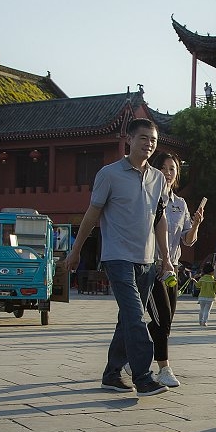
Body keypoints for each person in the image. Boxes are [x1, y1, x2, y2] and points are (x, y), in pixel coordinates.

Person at [62, 117, 171, 397]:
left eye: (153, 140)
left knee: (127, 320)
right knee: (135, 317)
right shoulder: (109, 174)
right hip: (118, 257)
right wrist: (76, 250)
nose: (149, 144)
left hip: (147, 260)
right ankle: (143, 377)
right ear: (129, 140)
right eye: (143, 138)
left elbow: (159, 219)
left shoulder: (158, 178)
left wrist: (166, 257)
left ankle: (112, 374)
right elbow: (92, 214)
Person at [141, 152, 204, 387]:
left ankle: (132, 352)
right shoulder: (147, 198)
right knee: (163, 317)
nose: (168, 173)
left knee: (165, 320)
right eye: (164, 168)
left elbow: (188, 240)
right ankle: (164, 368)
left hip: (173, 268)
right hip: (152, 266)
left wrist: (195, 224)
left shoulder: (180, 204)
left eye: (172, 169)